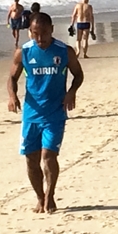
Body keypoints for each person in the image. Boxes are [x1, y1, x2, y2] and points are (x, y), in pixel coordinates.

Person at [7, 12, 84, 213]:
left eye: (44, 33)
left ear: (52, 30)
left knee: (48, 156)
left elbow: (78, 75)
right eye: (35, 34)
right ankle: (40, 197)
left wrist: (71, 92)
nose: (40, 39)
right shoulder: (23, 52)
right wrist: (12, 96)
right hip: (31, 114)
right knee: (31, 160)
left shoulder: (64, 51)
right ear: (30, 32)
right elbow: (12, 78)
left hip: (55, 114)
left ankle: (50, 195)